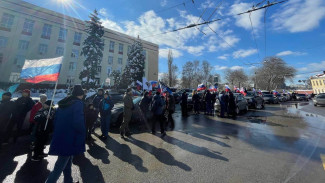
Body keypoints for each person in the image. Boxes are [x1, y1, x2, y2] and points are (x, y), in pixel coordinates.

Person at [46, 85, 86, 183]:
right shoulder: (78, 104)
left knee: (68, 160)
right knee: (60, 165)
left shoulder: (63, 103)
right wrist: (83, 132)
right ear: (80, 95)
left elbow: (55, 121)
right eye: (82, 95)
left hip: (60, 135)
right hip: (70, 137)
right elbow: (78, 122)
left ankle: (68, 180)